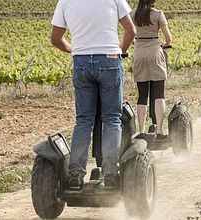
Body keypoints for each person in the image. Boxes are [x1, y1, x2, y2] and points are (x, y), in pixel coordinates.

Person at [50, 0, 136, 189]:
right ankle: (111, 173)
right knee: (112, 119)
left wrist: (74, 50)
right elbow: (131, 31)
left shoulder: (65, 1)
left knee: (83, 121)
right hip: (109, 60)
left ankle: (75, 175)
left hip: (81, 61)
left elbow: (56, 38)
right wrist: (121, 51)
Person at [132, 0, 173, 138]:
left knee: (142, 95)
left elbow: (129, 34)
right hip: (154, 52)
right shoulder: (158, 14)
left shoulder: (133, 15)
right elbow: (168, 38)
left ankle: (142, 130)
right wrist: (166, 44)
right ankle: (159, 130)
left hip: (139, 53)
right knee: (159, 93)